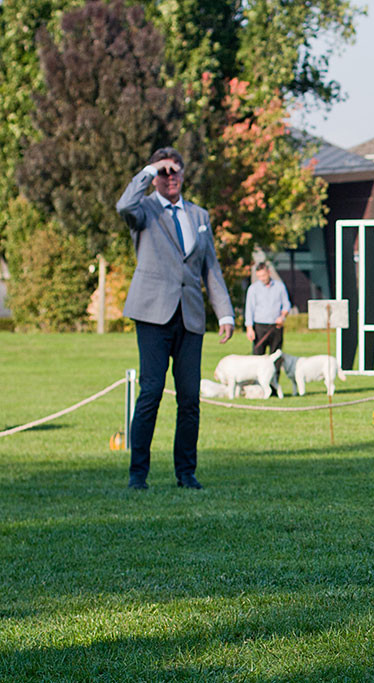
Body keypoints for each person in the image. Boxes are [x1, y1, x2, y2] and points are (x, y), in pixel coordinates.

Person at [116, 147, 234, 490]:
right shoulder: (144, 210)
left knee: (190, 399)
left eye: (175, 170)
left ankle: (186, 472)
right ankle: (138, 474)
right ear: (155, 176)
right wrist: (149, 169)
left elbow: (210, 267)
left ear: (183, 174)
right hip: (152, 313)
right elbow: (124, 206)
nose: (171, 177)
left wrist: (224, 312)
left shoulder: (199, 215)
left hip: (190, 316)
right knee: (151, 392)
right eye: (164, 172)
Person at [244, 261, 291, 379]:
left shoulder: (280, 286)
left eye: (264, 275)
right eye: (259, 276)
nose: (262, 279)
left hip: (276, 326)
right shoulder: (253, 289)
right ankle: (257, 385)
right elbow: (249, 309)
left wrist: (282, 317)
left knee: (276, 356)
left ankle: (274, 384)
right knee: (257, 357)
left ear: (269, 272)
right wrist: (249, 328)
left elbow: (286, 305)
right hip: (259, 327)